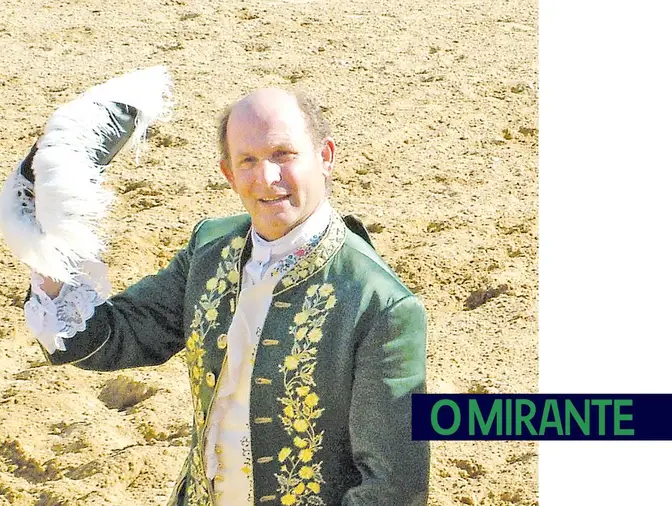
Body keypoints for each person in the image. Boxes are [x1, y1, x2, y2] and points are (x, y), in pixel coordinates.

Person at [22, 88, 429, 506]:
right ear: (228, 173)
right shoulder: (209, 249)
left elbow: (392, 487)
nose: (267, 178)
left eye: (283, 154)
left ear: (325, 157)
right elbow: (113, 337)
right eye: (248, 160)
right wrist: (52, 247)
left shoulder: (380, 305)